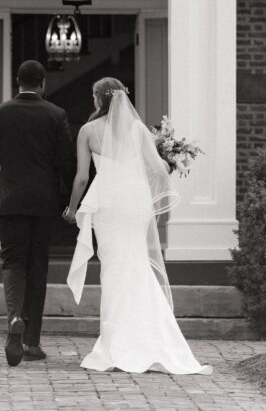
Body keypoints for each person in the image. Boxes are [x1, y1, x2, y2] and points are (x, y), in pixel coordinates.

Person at [63, 77, 212, 375]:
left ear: (98, 98)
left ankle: (116, 343)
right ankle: (154, 339)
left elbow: (81, 177)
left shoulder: (88, 131)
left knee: (114, 268)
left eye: (93, 96)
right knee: (136, 264)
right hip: (135, 203)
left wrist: (72, 207)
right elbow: (158, 169)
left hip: (108, 204)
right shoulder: (138, 129)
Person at [0, 59, 75, 367]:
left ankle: (13, 319)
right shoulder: (56, 115)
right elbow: (67, 164)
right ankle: (32, 342)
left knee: (13, 262)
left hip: (9, 203)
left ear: (17, 82)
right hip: (43, 204)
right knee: (38, 268)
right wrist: (65, 201)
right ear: (43, 83)